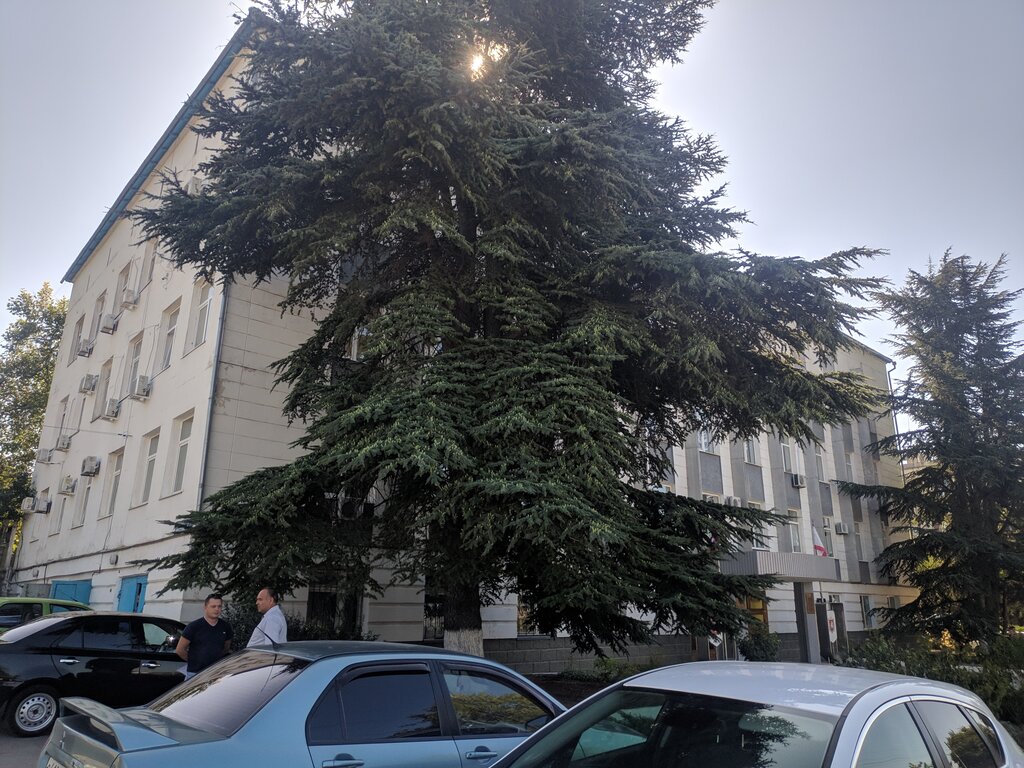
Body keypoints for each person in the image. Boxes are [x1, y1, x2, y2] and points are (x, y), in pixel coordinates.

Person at [176, 593, 233, 680]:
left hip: (216, 673)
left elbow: (226, 648)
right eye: (213, 606)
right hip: (194, 674)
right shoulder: (193, 627)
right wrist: (194, 661)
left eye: (219, 606)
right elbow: (180, 650)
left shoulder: (225, 627)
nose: (217, 609)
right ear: (205, 607)